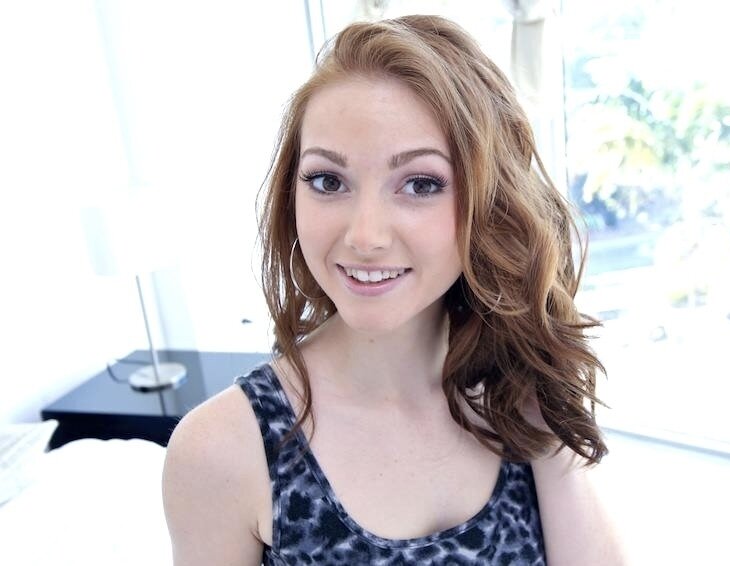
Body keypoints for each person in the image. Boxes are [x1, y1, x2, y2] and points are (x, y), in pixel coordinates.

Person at [163, 14, 625, 565]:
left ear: (491, 202)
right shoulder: (223, 449)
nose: (365, 236)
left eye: (420, 184)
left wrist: (542, 408)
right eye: (328, 181)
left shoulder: (513, 395)